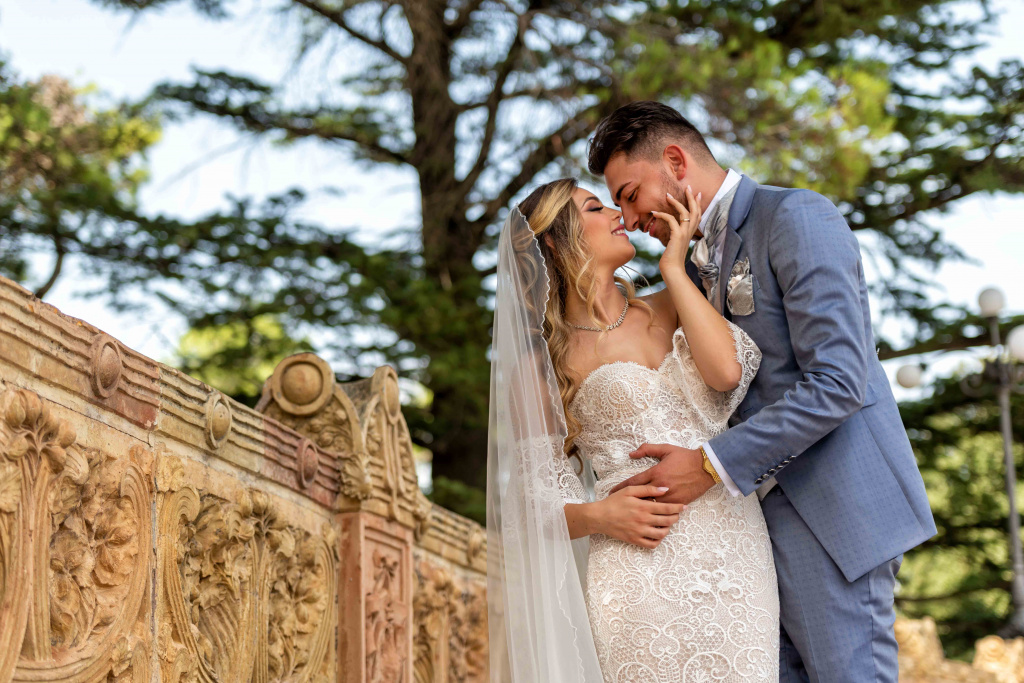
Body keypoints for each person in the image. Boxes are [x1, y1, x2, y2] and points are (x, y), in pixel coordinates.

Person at [591, 101, 937, 682]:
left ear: (674, 161)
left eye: (629, 195)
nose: (627, 217)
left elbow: (839, 381)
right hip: (742, 541)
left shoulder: (794, 217)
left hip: (829, 512)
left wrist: (709, 464)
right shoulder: (686, 266)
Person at [486, 172, 778, 682]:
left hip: (734, 546)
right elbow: (528, 508)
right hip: (636, 568)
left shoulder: (673, 301)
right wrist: (599, 515)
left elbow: (726, 373)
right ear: (555, 240)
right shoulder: (543, 364)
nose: (617, 214)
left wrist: (674, 267)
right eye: (594, 208)